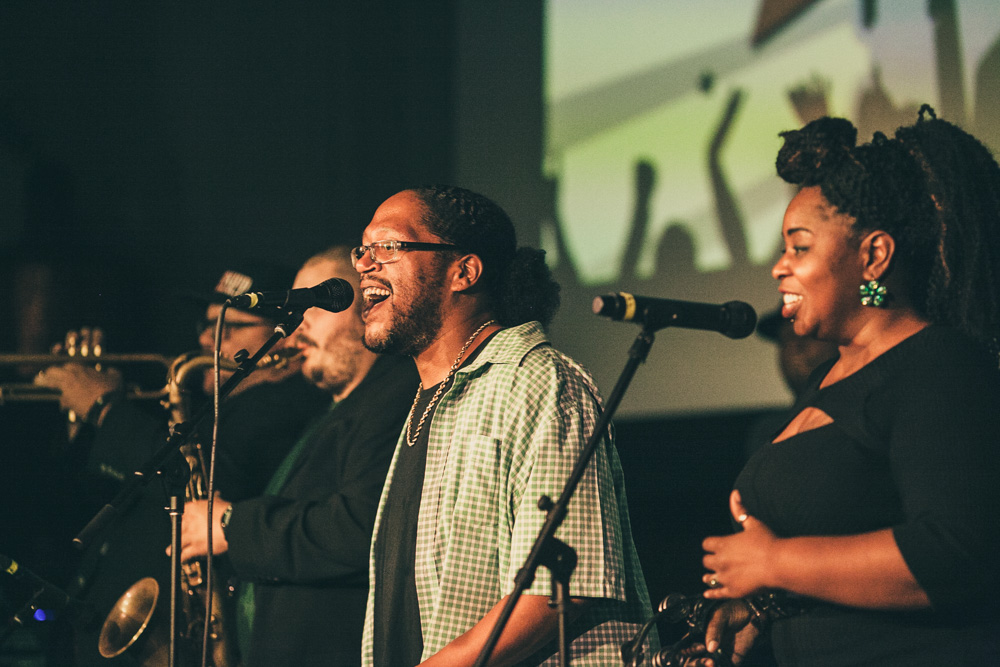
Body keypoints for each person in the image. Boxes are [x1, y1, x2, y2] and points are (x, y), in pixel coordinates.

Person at [691, 107, 1000, 666]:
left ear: (874, 255)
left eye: (799, 246)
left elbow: (959, 555)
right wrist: (764, 606)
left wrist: (775, 564)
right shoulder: (826, 379)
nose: (778, 268)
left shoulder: (939, 365)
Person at [355, 185, 656, 666]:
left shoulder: (539, 379)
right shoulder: (427, 402)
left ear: (463, 272)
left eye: (388, 246)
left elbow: (566, 588)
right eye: (364, 250)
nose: (367, 263)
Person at [35, 261, 331, 666]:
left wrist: (106, 409)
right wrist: (82, 424)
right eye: (207, 325)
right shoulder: (208, 407)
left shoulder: (289, 406)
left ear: (285, 338)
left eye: (229, 328)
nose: (209, 339)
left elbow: (209, 477)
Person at [176, 246, 419, 667]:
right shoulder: (336, 408)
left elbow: (362, 532)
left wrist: (233, 526)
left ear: (367, 308)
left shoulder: (392, 398)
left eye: (317, 306)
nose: (297, 329)